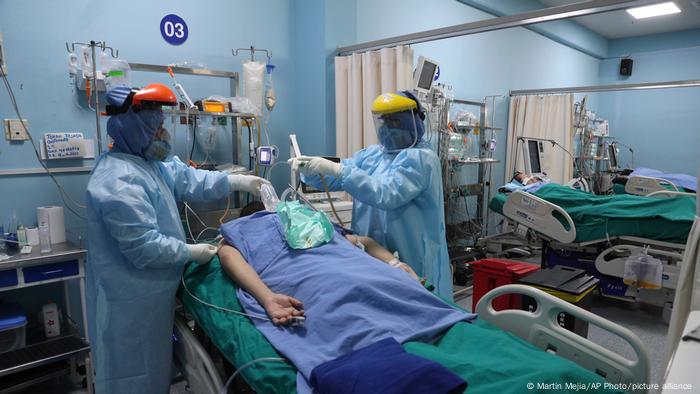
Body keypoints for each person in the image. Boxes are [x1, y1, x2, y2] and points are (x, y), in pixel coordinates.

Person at [85, 83, 270, 394]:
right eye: (157, 130)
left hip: (152, 297)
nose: (164, 136)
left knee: (153, 375)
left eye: (162, 127)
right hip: (130, 305)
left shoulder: (149, 164)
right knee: (133, 378)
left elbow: (191, 179)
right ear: (133, 129)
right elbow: (144, 248)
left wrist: (239, 180)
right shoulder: (118, 181)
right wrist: (191, 253)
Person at [290, 91, 453, 300]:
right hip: (370, 247)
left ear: (413, 122)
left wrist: (339, 170)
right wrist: (311, 169)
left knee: (412, 300)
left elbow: (387, 194)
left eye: (395, 121)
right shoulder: (373, 154)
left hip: (410, 249)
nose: (387, 129)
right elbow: (338, 177)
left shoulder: (421, 159)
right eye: (384, 122)